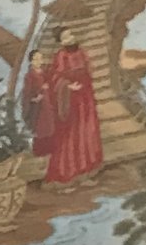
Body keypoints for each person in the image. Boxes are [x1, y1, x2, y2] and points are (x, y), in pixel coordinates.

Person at [43, 31, 106, 185]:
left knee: (87, 132)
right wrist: (68, 86)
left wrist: (85, 78)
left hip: (85, 97)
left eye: (71, 35)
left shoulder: (82, 52)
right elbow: (55, 77)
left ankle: (86, 172)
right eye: (65, 37)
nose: (71, 38)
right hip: (70, 100)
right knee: (71, 136)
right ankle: (67, 176)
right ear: (61, 42)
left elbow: (88, 70)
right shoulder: (61, 56)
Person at [23, 48, 60, 164]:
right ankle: (40, 152)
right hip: (38, 107)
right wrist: (35, 97)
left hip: (47, 103)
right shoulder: (29, 76)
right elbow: (27, 93)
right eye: (36, 59)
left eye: (40, 58)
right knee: (41, 128)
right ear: (31, 61)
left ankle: (50, 151)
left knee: (50, 126)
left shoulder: (43, 72)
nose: (39, 61)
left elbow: (51, 81)